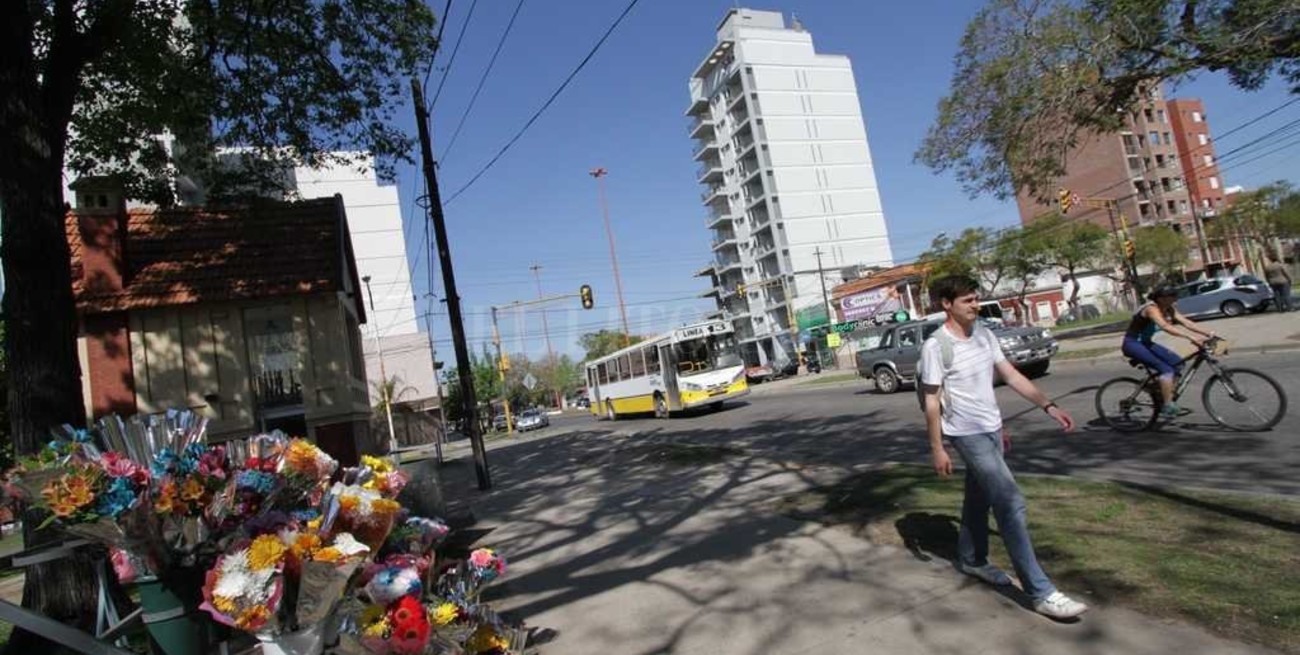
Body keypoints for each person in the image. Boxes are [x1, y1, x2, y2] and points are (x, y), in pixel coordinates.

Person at [920, 275, 1088, 620]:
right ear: (946, 304)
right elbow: (932, 400)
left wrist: (1048, 405)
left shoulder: (984, 334)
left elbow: (1010, 375)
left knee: (978, 499)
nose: (975, 305)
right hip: (965, 434)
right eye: (967, 300)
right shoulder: (936, 346)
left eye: (975, 298)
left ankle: (972, 560)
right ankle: (1040, 591)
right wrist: (937, 446)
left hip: (992, 429)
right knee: (1010, 501)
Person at [1122, 286, 1214, 417]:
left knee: (1178, 364)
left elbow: (1186, 322)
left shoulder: (1168, 308)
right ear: (1161, 298)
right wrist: (1190, 337)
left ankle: (1160, 390)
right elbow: (1165, 326)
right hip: (1133, 344)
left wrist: (1209, 333)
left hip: (1146, 343)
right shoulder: (1151, 309)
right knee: (1167, 370)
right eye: (1172, 296)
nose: (1175, 299)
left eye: (1175, 296)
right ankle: (1167, 404)